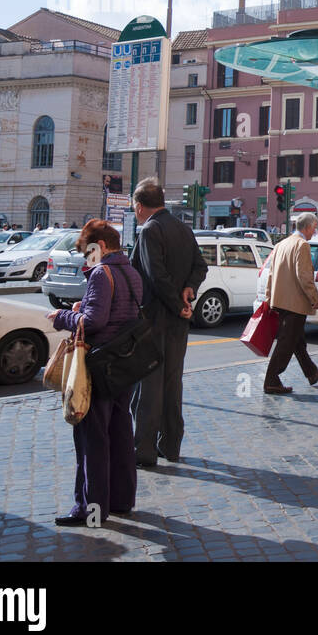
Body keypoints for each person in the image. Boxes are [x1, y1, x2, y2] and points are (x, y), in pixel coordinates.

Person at [48, 220, 141, 525]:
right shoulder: (130, 271)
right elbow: (120, 312)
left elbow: (95, 322)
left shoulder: (102, 272)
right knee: (121, 432)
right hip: (125, 364)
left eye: (87, 251)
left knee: (92, 438)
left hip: (99, 365)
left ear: (100, 246)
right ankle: (122, 500)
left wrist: (63, 316)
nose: (86, 258)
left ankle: (90, 509)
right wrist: (83, 306)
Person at [128, 179, 207, 468]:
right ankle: (171, 445)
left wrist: (179, 304)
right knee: (172, 384)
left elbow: (155, 276)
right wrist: (189, 290)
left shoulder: (150, 230)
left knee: (148, 386)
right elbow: (201, 266)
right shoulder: (183, 228)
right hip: (177, 322)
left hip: (154, 319)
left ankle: (144, 450)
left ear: (139, 207)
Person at [262, 212, 318, 395]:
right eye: (314, 228)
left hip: (280, 301)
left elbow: (271, 273)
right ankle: (271, 380)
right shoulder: (302, 245)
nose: (314, 232)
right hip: (294, 303)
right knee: (287, 343)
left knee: (297, 341)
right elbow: (305, 276)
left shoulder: (282, 243)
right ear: (307, 227)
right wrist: (315, 298)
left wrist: (269, 297)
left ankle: (312, 372)